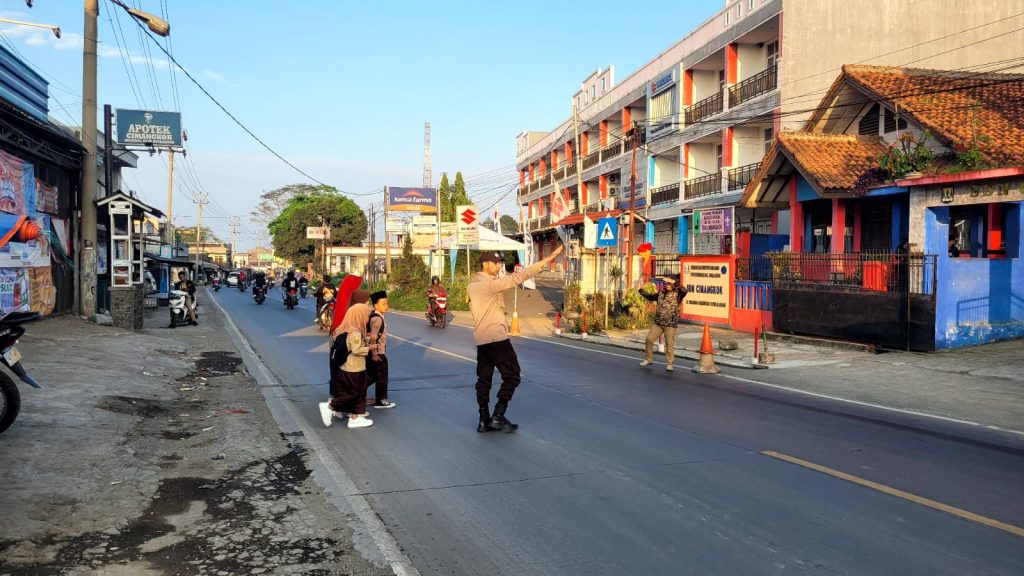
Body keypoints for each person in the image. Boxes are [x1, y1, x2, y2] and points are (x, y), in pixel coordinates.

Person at [468, 246, 563, 433]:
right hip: (496, 338)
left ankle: (483, 418)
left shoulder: (472, 285)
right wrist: (546, 260)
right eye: (495, 263)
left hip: (481, 338)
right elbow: (517, 278)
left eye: (499, 263)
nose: (498, 266)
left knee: (484, 378)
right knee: (513, 375)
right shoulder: (489, 285)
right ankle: (498, 415)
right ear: (485, 264)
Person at [320, 291, 373, 428]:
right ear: (359, 316)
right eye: (366, 316)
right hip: (353, 368)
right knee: (354, 393)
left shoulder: (345, 328)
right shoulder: (354, 331)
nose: (367, 319)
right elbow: (356, 350)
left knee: (360, 392)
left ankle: (356, 417)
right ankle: (331, 406)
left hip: (354, 368)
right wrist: (370, 348)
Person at [639, 275, 687, 372]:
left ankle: (669, 364)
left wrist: (674, 281)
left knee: (669, 344)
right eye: (666, 283)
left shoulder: (678, 294)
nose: (667, 285)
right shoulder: (661, 293)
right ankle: (649, 359)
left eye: (669, 283)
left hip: (670, 324)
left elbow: (684, 290)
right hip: (658, 323)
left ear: (673, 284)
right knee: (649, 339)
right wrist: (641, 291)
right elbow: (651, 297)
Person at [366, 290, 395, 410]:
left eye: (387, 303)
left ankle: (356, 392)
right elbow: (373, 337)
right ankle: (381, 401)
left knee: (371, 376)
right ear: (375, 305)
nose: (386, 306)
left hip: (374, 352)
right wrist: (375, 354)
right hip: (378, 352)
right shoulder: (377, 319)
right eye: (383, 304)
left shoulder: (374, 316)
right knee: (382, 376)